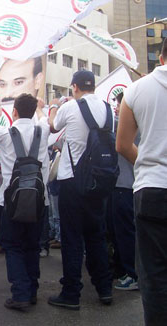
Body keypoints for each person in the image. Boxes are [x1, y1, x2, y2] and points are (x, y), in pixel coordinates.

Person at [47, 70, 113, 310]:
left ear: (74, 87)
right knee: (96, 235)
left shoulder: (70, 107)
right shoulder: (108, 110)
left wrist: (54, 106)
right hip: (99, 180)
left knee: (72, 238)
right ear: (93, 86)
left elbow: (53, 127)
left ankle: (71, 292)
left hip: (72, 181)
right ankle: (104, 288)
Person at [116, 39, 167, 325]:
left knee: (154, 276)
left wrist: (148, 164)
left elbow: (123, 145)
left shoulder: (135, 90)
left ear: (160, 57)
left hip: (152, 189)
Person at [0, 93, 50, 311]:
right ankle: (32, 291)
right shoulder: (43, 131)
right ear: (33, 112)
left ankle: (20, 293)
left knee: (13, 247)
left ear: (14, 111)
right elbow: (45, 119)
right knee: (32, 247)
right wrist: (41, 108)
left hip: (11, 201)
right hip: (38, 201)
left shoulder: (5, 134)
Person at [109, 92, 138, 290]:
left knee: (126, 232)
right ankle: (121, 268)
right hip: (123, 185)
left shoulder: (129, 124)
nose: (117, 109)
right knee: (119, 231)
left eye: (120, 105)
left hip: (125, 185)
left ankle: (132, 274)